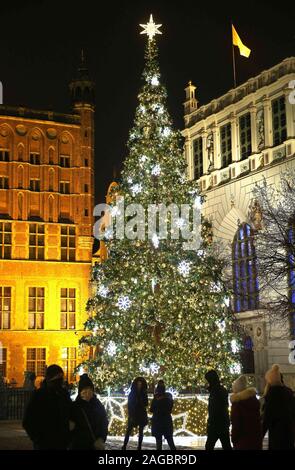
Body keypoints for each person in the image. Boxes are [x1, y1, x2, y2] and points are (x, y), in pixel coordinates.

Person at [22, 364, 73, 450]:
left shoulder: (63, 394)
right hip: (44, 444)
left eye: (61, 378)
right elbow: (28, 420)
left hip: (61, 443)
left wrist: (68, 437)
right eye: (57, 378)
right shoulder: (39, 395)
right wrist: (37, 439)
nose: (59, 381)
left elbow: (71, 414)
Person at [71, 374, 108, 450]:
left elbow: (104, 422)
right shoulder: (76, 406)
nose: (87, 392)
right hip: (80, 445)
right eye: (85, 389)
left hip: (95, 445)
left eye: (90, 389)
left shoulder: (98, 404)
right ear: (80, 391)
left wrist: (101, 438)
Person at [262, 364, 295, 450]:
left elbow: (267, 417)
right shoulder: (288, 392)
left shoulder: (271, 395)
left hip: (277, 435)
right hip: (289, 433)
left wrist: (260, 435)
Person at [230, 375, 262, 450]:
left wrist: (233, 438)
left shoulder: (237, 404)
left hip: (242, 442)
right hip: (255, 440)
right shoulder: (253, 401)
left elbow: (236, 424)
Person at [204, 369, 232, 450]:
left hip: (216, 425)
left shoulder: (216, 391)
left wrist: (210, 423)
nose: (206, 382)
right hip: (222, 423)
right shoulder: (220, 390)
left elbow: (215, 410)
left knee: (209, 446)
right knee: (226, 445)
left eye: (208, 380)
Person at [122, 377, 148, 450]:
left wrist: (141, 402)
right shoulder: (132, 393)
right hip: (133, 414)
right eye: (138, 384)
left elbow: (146, 403)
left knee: (141, 431)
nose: (139, 385)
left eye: (140, 384)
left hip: (141, 414)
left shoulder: (143, 393)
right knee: (128, 430)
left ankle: (139, 446)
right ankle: (124, 445)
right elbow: (130, 404)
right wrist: (131, 414)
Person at [150, 380, 176, 450]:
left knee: (159, 444)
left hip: (157, 421)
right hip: (166, 421)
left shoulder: (156, 398)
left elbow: (151, 409)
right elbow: (170, 409)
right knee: (171, 442)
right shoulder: (169, 397)